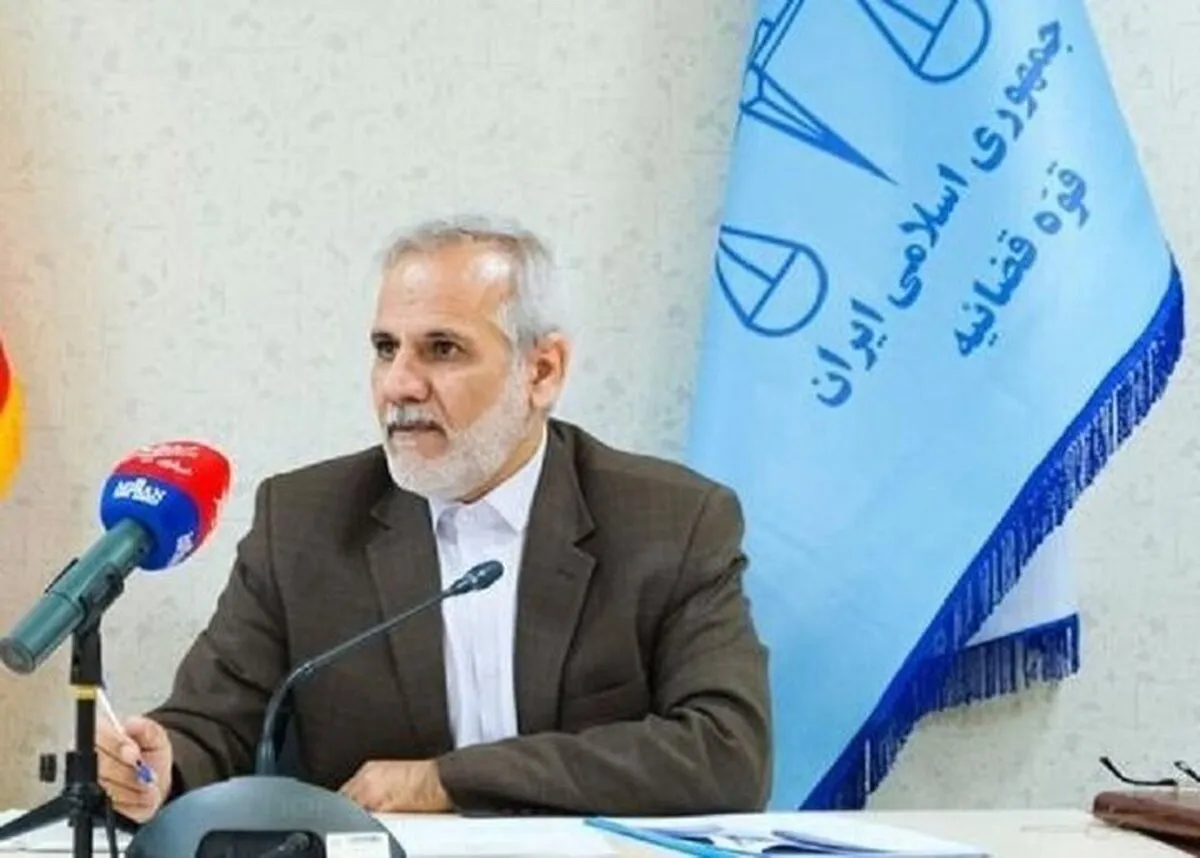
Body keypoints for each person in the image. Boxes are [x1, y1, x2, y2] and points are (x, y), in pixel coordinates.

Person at [96, 216, 771, 820]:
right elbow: (214, 724)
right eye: (385, 347)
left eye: (442, 349)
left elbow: (728, 751)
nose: (399, 383)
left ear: (541, 372)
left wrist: (448, 781)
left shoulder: (671, 522)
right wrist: (160, 765)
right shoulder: (303, 522)